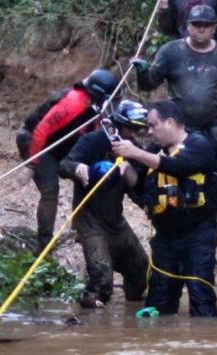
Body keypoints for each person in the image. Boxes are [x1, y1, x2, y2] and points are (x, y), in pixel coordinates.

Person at [112, 99, 217, 317]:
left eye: (153, 125)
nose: (150, 132)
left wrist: (136, 153)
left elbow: (178, 166)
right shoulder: (155, 150)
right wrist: (127, 170)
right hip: (165, 237)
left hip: (197, 233)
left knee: (201, 298)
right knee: (158, 305)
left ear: (170, 122)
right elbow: (143, 187)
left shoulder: (199, 145)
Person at [58, 100, 150, 309]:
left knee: (140, 267)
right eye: (130, 129)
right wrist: (77, 167)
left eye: (136, 130)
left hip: (116, 221)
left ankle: (134, 306)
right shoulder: (92, 141)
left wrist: (130, 170)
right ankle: (90, 315)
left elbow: (140, 188)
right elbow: (63, 165)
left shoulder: (133, 148)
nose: (132, 135)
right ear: (118, 125)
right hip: (89, 221)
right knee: (101, 280)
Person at [15, 68, 118, 254]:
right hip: (36, 142)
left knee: (85, 175)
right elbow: (40, 131)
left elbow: (91, 135)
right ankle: (44, 245)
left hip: (60, 145)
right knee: (50, 191)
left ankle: (81, 227)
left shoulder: (94, 108)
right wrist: (32, 164)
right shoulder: (72, 104)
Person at [133, 4, 217, 149]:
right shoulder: (170, 51)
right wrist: (143, 72)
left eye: (207, 25)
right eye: (197, 24)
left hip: (212, 129)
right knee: (178, 167)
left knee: (213, 169)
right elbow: (149, 84)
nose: (201, 29)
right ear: (188, 27)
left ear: (214, 28)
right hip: (179, 129)